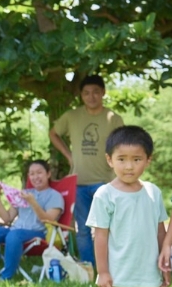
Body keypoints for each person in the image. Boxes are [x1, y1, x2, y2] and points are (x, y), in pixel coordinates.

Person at [88, 126, 169, 287]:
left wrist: (164, 266)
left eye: (137, 159)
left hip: (147, 273)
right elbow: (100, 235)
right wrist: (102, 271)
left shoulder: (153, 192)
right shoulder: (105, 194)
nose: (129, 166)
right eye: (121, 159)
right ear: (109, 159)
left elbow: (160, 231)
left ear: (148, 160)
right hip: (118, 276)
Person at [49, 75, 125, 266]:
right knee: (82, 229)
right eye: (86, 93)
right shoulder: (72, 116)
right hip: (79, 181)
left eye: (96, 92)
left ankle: (111, 266)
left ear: (103, 93)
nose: (91, 97)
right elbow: (53, 133)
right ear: (81, 95)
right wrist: (68, 155)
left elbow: (123, 146)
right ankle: (88, 267)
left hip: (106, 182)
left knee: (109, 227)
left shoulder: (114, 118)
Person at [0, 160, 64, 282]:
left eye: (39, 173)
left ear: (48, 174)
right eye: (32, 174)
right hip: (15, 230)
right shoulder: (24, 193)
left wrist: (33, 202)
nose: (35, 177)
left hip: (38, 233)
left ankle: (6, 277)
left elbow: (48, 220)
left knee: (14, 235)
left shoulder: (55, 196)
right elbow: (7, 218)